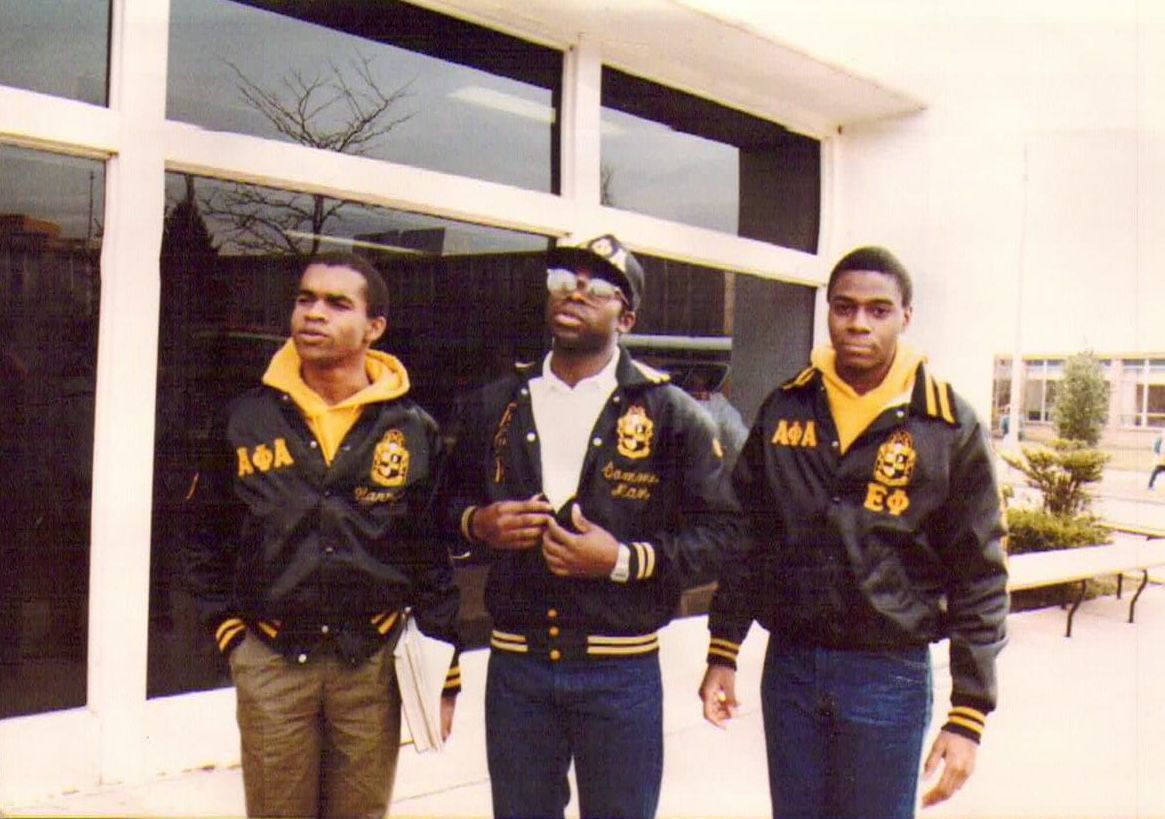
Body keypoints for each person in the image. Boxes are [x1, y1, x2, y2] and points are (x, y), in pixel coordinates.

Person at [699, 246, 1009, 818]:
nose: (859, 323)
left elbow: (980, 573)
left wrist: (969, 712)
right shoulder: (786, 407)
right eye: (844, 308)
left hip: (886, 676)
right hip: (792, 669)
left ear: (905, 317)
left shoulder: (946, 424)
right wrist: (724, 647)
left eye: (878, 310)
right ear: (828, 312)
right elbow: (748, 538)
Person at [444, 234, 740, 819]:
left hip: (619, 670)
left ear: (626, 317)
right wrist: (479, 524)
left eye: (596, 287)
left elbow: (724, 536)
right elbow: (440, 512)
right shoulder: (495, 403)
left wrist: (622, 561)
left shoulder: (670, 412)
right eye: (563, 281)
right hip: (518, 668)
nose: (574, 293)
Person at [185, 253, 461, 818]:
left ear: (374, 327)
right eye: (305, 298)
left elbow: (430, 554)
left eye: (337, 304)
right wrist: (230, 633)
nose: (314, 313)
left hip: (370, 666)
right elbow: (200, 538)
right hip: (273, 660)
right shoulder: (244, 420)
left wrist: (445, 672)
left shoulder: (411, 429)